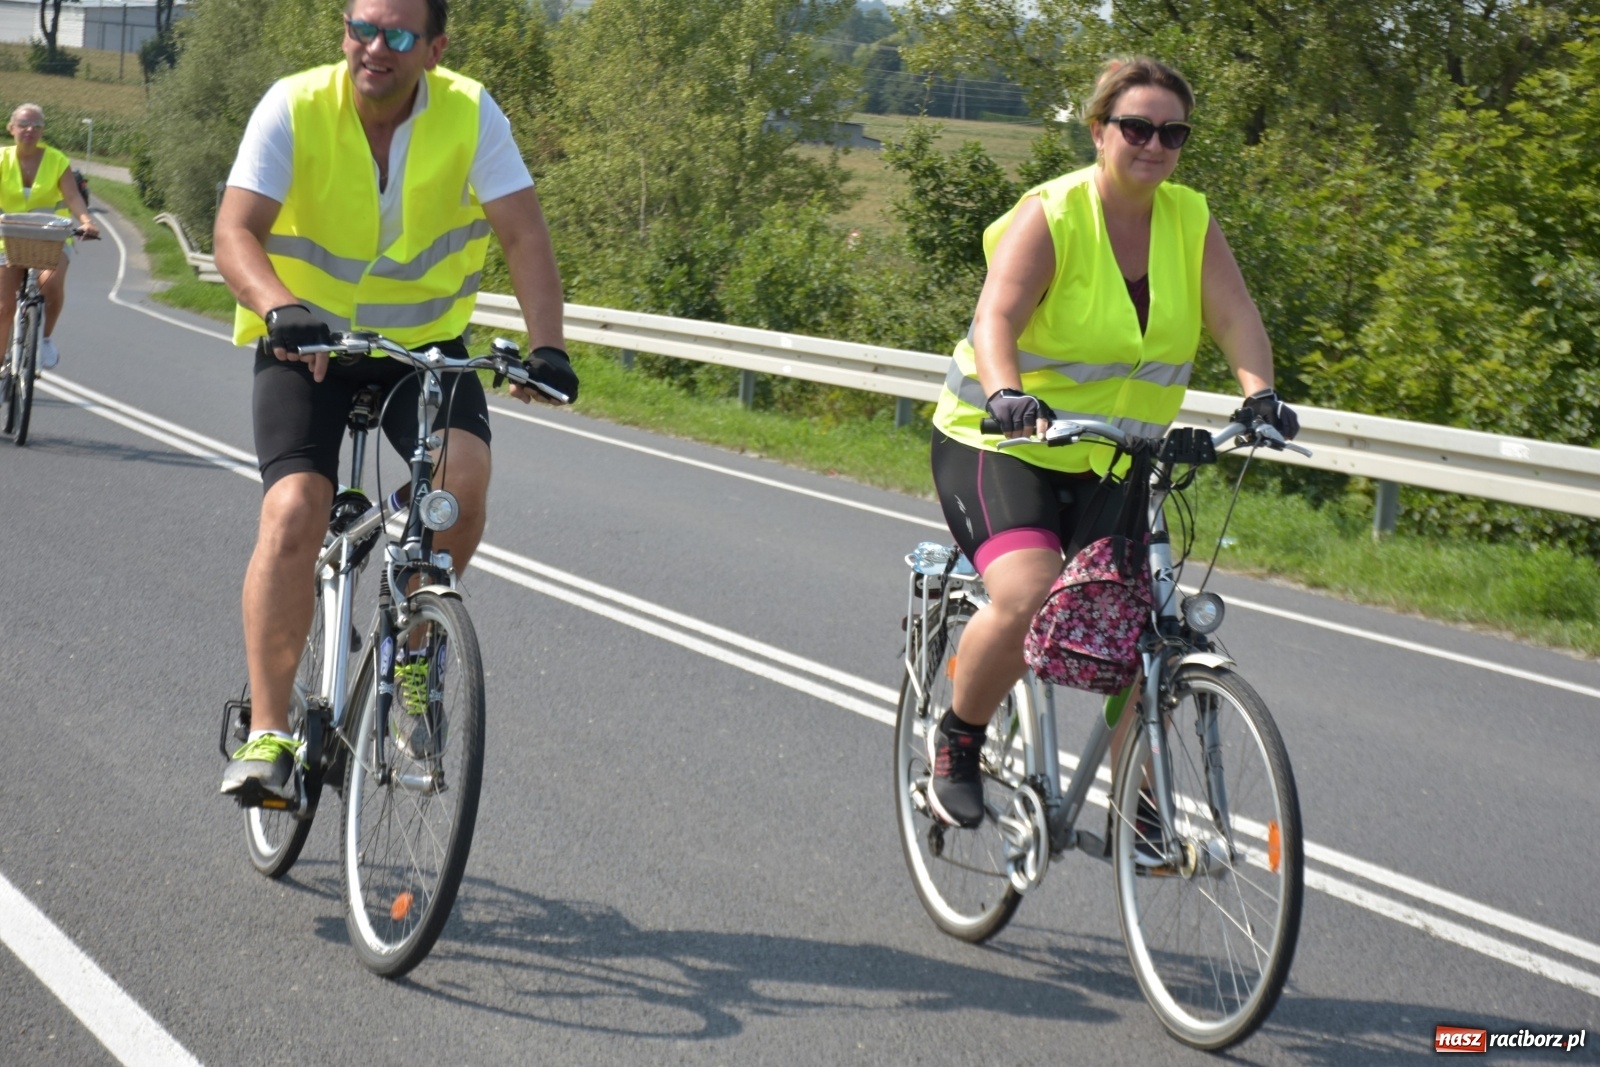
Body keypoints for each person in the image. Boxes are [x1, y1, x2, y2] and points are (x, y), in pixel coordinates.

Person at [214, 0, 578, 804]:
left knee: (463, 484)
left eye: (399, 34)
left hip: (425, 345)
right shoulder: (294, 104)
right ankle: (269, 732)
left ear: (434, 49)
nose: (375, 47)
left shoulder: (471, 113)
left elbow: (524, 234)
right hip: (306, 342)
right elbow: (236, 231)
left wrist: (547, 344)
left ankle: (415, 653)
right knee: (294, 510)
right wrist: (279, 305)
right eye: (361, 28)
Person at [924, 57, 1299, 828]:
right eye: (1136, 127)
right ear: (1100, 132)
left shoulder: (1189, 219)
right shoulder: (1053, 212)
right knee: (1028, 593)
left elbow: (1233, 315)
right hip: (1002, 444)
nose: (1153, 144)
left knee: (1148, 624)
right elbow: (998, 316)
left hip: (1118, 455)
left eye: (1172, 132)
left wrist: (1258, 392)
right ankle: (959, 737)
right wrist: (1004, 393)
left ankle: (1141, 797)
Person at [0, 103, 100, 370]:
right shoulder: (1, 159)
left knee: (51, 284)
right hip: (7, 240)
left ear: (43, 130)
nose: (30, 130)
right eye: (23, 125)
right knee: (3, 307)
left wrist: (87, 221)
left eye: (36, 125)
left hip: (51, 238)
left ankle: (43, 339)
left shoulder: (57, 160)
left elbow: (72, 197)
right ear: (11, 129)